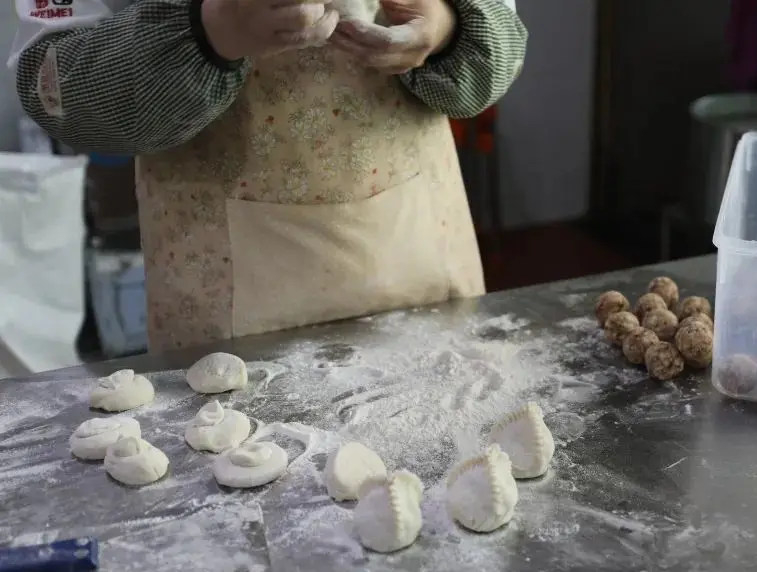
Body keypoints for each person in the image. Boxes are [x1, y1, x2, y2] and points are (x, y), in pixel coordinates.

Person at [9, 0, 527, 352]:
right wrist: (215, 30)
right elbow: (56, 87)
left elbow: (502, 36)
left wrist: (447, 26)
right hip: (226, 312)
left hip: (423, 269)